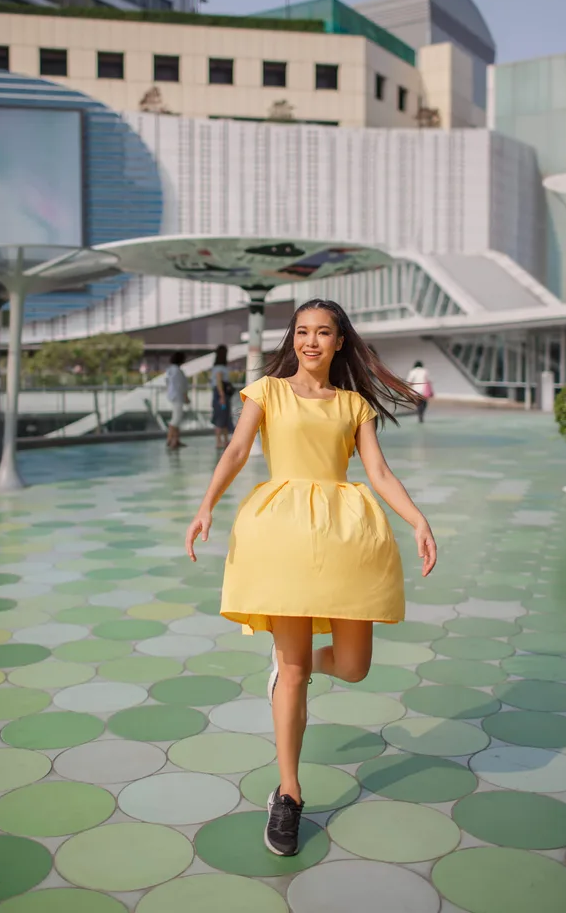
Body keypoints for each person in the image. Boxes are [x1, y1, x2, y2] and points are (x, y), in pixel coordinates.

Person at [185, 299, 437, 858]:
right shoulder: (267, 390)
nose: (311, 342)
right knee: (296, 669)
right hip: (281, 536)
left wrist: (418, 519)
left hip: (346, 535)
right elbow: (236, 449)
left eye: (323, 333)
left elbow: (378, 471)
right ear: (292, 338)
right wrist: (206, 506)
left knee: (353, 665)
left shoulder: (353, 404)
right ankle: (289, 792)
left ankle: (286, 669)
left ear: (340, 341)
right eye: (302, 332)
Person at [210, 344, 234, 449]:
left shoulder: (216, 367)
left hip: (219, 395)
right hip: (221, 396)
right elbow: (219, 381)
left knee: (224, 416)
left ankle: (224, 440)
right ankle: (219, 441)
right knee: (221, 416)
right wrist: (222, 395)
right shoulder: (220, 368)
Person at [165, 351, 189, 450]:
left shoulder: (170, 370)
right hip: (178, 397)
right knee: (176, 419)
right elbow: (180, 385)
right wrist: (185, 396)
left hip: (173, 396)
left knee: (176, 418)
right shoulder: (177, 371)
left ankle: (175, 440)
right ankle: (170, 439)